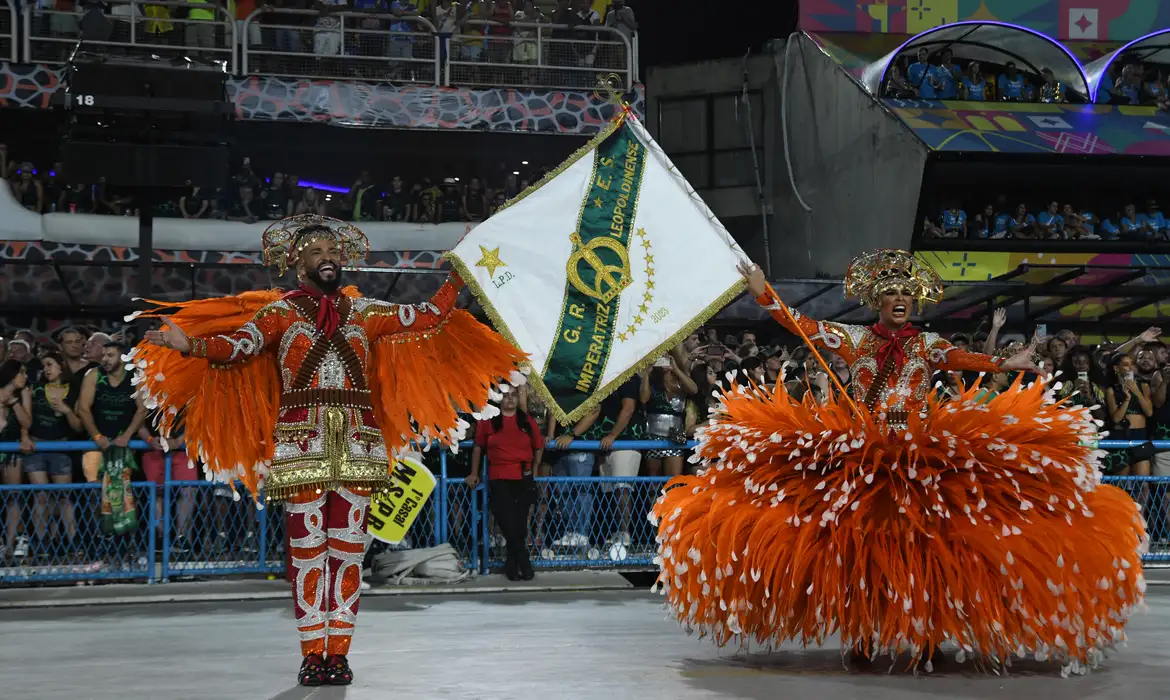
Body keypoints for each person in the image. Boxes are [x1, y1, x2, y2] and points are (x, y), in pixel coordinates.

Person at [651, 251, 1146, 673]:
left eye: (907, 293)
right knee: (860, 550)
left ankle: (926, 634)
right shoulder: (853, 340)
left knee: (927, 549)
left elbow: (959, 358)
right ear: (878, 302)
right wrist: (764, 292)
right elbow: (800, 326)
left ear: (916, 302)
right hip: (865, 461)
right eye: (890, 293)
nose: (899, 298)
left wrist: (1002, 363)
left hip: (918, 461)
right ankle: (864, 634)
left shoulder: (928, 345)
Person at [134, 215, 524, 687]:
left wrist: (458, 273)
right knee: (306, 553)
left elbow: (428, 315)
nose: (327, 257)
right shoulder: (280, 313)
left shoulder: (366, 313)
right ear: (296, 262)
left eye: (333, 250)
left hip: (359, 444)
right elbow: (237, 346)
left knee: (347, 553)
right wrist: (189, 344)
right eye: (316, 251)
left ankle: (337, 653)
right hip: (302, 446)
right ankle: (310, 653)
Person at [467, 389, 542, 581]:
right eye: (506, 395)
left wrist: (534, 469)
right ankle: (523, 560)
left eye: (513, 395)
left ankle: (511, 565)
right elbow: (478, 447)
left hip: (523, 476)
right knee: (507, 520)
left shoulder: (526, 421)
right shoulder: (489, 421)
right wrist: (474, 473)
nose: (509, 399)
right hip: (499, 475)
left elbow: (538, 445)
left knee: (519, 523)